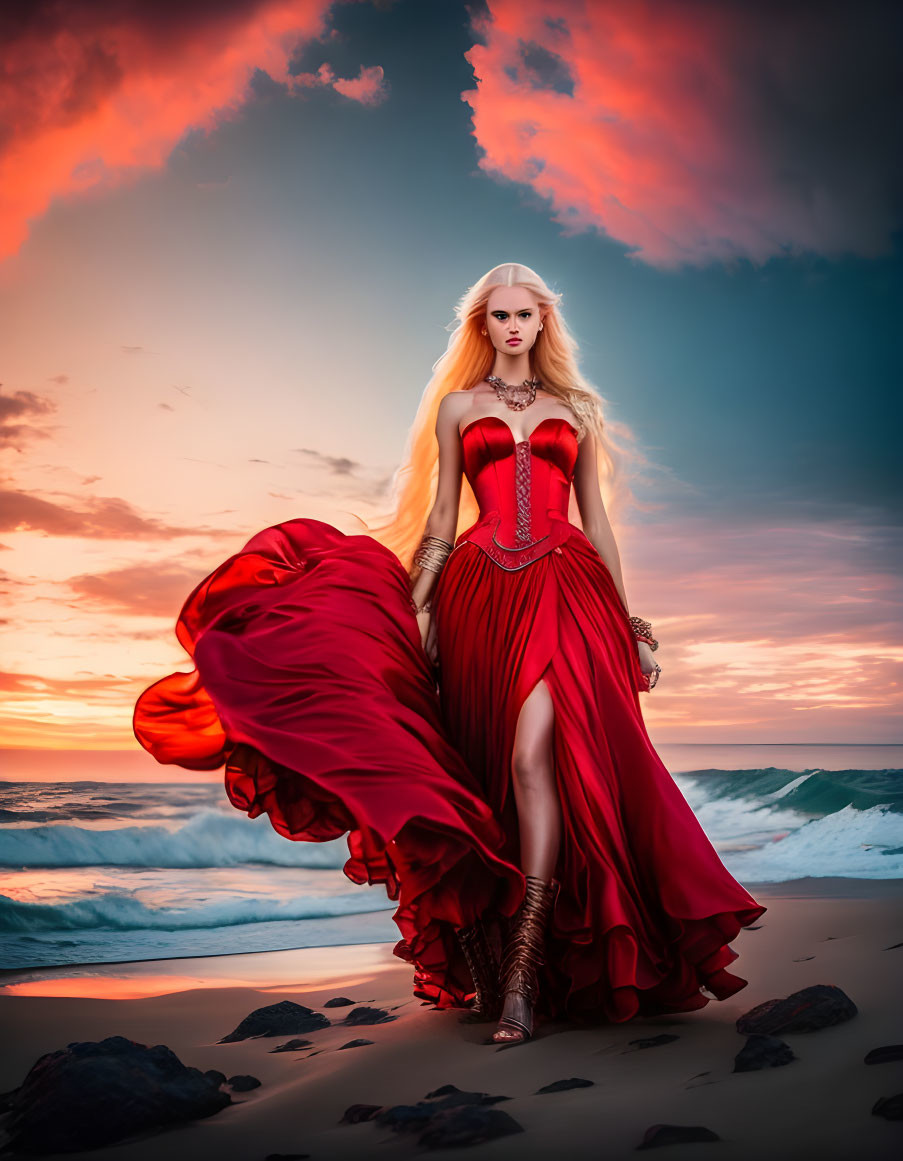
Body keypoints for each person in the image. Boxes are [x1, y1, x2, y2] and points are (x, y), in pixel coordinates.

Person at [134, 261, 764, 1047]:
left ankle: (524, 980)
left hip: (569, 589)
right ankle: (498, 963)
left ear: (542, 323)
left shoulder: (577, 410)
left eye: (523, 315)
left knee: (541, 759)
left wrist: (630, 625)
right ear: (482, 325)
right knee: (484, 767)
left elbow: (597, 523)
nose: (511, 327)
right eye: (497, 315)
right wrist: (417, 614)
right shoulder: (457, 407)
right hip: (477, 593)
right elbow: (440, 520)